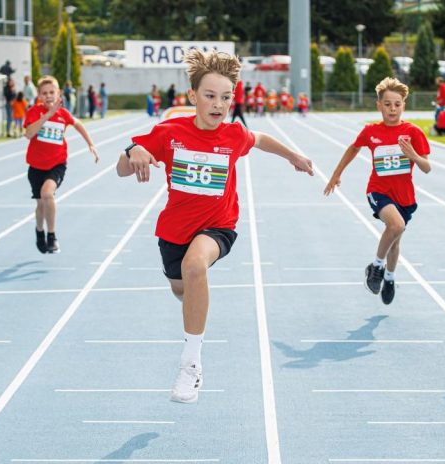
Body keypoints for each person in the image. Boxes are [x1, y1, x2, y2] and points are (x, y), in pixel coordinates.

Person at [116, 50, 313, 404]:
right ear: (192, 96)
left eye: (226, 97)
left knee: (195, 266)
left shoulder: (235, 135)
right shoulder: (169, 132)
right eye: (210, 95)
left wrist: (294, 156)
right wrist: (133, 152)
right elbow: (122, 168)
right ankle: (193, 301)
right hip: (173, 232)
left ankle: (190, 365)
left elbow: (261, 138)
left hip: (218, 227)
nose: (218, 104)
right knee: (183, 288)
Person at [324, 77, 431, 305]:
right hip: (378, 190)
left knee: (395, 240)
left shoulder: (413, 132)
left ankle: (390, 278)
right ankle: (377, 267)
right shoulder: (371, 131)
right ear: (379, 105)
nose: (392, 109)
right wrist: (336, 174)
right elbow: (353, 148)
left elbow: (427, 167)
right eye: (388, 104)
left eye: (397, 104)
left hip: (405, 197)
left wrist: (413, 155)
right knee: (396, 225)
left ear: (404, 105)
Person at [24, 75, 99, 254]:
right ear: (39, 96)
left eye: (52, 92)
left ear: (58, 94)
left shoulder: (63, 114)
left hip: (57, 163)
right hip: (36, 166)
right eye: (44, 93)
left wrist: (90, 143)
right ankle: (39, 230)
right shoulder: (35, 112)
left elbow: (78, 124)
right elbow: (28, 133)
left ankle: (52, 235)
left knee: (47, 194)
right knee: (40, 204)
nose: (49, 96)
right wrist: (47, 115)